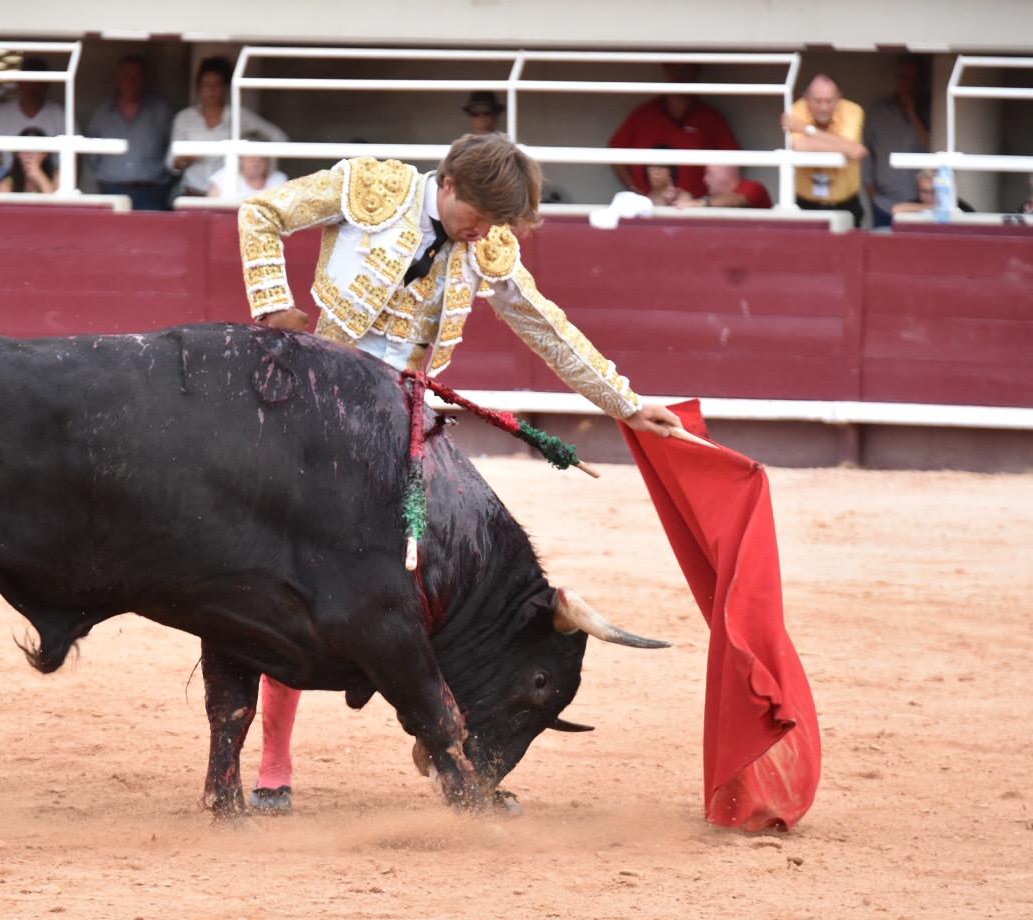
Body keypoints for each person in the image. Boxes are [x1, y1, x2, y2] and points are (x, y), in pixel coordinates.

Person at [237, 133, 686, 812]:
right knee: (295, 581)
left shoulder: (488, 243)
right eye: (477, 215)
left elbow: (546, 326)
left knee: (443, 582)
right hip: (319, 409)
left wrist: (625, 402)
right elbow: (261, 213)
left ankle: (454, 745)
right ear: (447, 184)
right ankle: (275, 762)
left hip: (405, 422)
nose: (484, 233)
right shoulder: (372, 189)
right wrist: (273, 303)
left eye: (496, 223)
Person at [607, 62, 740, 200]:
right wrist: (635, 191)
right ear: (667, 73)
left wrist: (708, 201)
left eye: (687, 71)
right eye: (674, 70)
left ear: (696, 75)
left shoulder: (711, 118)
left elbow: (733, 162)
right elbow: (615, 150)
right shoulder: (644, 114)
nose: (680, 76)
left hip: (695, 206)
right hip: (651, 205)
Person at [168, 56, 285, 198]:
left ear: (226, 87)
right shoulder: (184, 118)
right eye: (206, 85)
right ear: (199, 87)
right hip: (192, 192)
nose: (212, 90)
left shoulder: (240, 115)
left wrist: (257, 162)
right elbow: (171, 163)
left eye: (217, 84)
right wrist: (187, 158)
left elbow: (279, 137)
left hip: (226, 194)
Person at [88, 55, 177, 211]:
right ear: (119, 78)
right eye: (127, 75)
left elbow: (174, 156)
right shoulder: (103, 113)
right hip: (111, 192)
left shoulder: (162, 111)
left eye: (138, 75)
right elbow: (92, 157)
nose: (132, 80)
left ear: (146, 79)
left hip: (152, 195)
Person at [781, 74, 869, 226]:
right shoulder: (797, 108)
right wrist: (846, 147)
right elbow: (800, 146)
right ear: (806, 98)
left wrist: (807, 129)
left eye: (829, 101)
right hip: (806, 205)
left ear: (839, 99)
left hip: (846, 205)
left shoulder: (852, 110)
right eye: (817, 101)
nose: (823, 107)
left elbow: (851, 148)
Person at [863, 56, 931, 228]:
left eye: (915, 79)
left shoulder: (933, 109)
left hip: (921, 204)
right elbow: (867, 154)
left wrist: (913, 113)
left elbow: (931, 144)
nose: (909, 84)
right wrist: (872, 193)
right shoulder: (878, 111)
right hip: (884, 203)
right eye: (904, 78)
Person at [0, 56, 70, 170]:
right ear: (19, 83)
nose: (34, 86)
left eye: (39, 81)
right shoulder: (1, 114)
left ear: (47, 84)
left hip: (49, 180)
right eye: (29, 80)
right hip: (11, 179)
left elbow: (75, 156)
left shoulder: (60, 114)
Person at [205, 131, 287, 197]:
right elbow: (212, 209)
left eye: (261, 154)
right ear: (240, 158)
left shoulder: (279, 180)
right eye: (251, 153)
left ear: (269, 159)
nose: (256, 159)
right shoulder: (223, 178)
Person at [675, 163, 772, 209]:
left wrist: (699, 203)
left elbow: (737, 200)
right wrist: (686, 198)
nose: (705, 179)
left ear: (726, 176)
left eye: (710, 174)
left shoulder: (754, 187)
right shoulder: (711, 194)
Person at [890, 169, 975, 217]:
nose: (928, 196)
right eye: (924, 191)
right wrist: (930, 207)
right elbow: (896, 210)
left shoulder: (956, 204)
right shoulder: (917, 203)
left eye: (933, 192)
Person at [7, 126, 59, 193]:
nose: (29, 154)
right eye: (24, 149)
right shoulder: (7, 183)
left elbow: (55, 200)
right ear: (17, 154)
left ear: (45, 154)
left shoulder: (57, 177)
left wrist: (40, 177)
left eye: (34, 150)